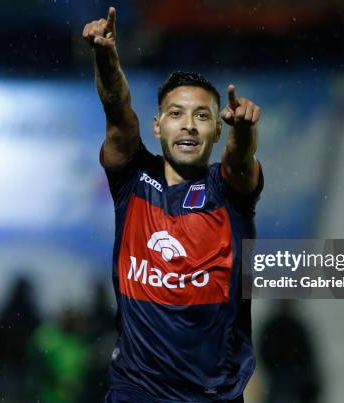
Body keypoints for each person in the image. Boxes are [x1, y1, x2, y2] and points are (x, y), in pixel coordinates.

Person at [82, 7, 263, 403]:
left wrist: (245, 133)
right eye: (176, 114)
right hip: (136, 391)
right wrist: (106, 58)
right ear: (157, 124)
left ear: (217, 129)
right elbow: (116, 113)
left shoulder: (227, 192)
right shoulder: (133, 179)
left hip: (213, 394)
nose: (189, 125)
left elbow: (239, 160)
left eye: (202, 116)